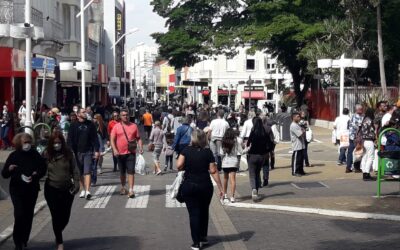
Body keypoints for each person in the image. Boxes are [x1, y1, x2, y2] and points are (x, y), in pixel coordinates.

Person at [176, 129, 223, 250]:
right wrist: (220, 187)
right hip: (205, 185)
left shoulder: (185, 150)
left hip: (190, 185)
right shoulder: (207, 152)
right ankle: (203, 237)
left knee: (194, 214)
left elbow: (179, 165)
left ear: (193, 138)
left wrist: (186, 165)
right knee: (204, 211)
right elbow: (213, 170)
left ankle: (196, 242)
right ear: (204, 139)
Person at [1, 133, 46, 250]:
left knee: (28, 215)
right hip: (17, 190)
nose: (27, 145)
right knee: (19, 214)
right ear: (19, 143)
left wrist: (36, 174)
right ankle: (17, 242)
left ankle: (24, 239)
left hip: (32, 189)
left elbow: (43, 168)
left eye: (29, 142)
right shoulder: (14, 155)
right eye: (25, 142)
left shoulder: (35, 154)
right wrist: (10, 169)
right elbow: (4, 174)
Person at [43, 131, 80, 250]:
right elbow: (39, 167)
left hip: (67, 189)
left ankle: (58, 231)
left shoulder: (68, 153)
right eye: (54, 143)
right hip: (51, 189)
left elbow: (74, 169)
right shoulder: (46, 153)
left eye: (58, 142)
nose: (56, 145)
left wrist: (77, 182)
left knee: (65, 217)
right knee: (56, 215)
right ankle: (59, 241)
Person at [67, 108, 100, 199]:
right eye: (83, 112)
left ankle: (88, 191)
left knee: (87, 171)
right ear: (78, 114)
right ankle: (83, 189)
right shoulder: (73, 125)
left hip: (88, 151)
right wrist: (69, 150)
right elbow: (69, 139)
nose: (85, 113)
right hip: (77, 152)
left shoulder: (90, 125)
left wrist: (97, 150)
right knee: (80, 172)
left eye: (86, 112)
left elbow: (95, 139)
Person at [110, 109, 144, 198]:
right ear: (120, 117)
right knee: (122, 172)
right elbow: (112, 139)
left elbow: (138, 138)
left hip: (131, 152)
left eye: (127, 115)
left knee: (131, 171)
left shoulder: (134, 126)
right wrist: (115, 149)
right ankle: (123, 187)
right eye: (123, 115)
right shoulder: (116, 126)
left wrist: (140, 147)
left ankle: (131, 190)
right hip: (120, 154)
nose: (126, 116)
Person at [247, 117, 273, 200]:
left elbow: (248, 143)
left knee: (252, 174)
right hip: (262, 155)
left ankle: (254, 189)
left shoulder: (253, 131)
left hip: (253, 155)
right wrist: (268, 151)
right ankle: (256, 191)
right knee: (258, 173)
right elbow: (271, 143)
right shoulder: (265, 131)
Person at [221, 128, 242, 203]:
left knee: (225, 179)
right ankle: (232, 197)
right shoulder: (235, 142)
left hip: (225, 162)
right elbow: (241, 151)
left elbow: (221, 153)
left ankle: (225, 195)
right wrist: (248, 149)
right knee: (233, 180)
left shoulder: (223, 142)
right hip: (233, 162)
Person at [347, 104, 364, 173]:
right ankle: (349, 167)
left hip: (358, 137)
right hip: (354, 137)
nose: (361, 110)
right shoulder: (355, 116)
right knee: (352, 151)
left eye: (361, 109)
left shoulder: (362, 116)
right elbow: (358, 126)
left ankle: (356, 167)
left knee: (358, 152)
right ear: (357, 110)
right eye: (360, 109)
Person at [360, 108, 376, 181]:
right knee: (370, 157)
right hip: (369, 141)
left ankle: (364, 173)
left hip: (363, 141)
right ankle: (367, 173)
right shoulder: (370, 120)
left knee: (365, 157)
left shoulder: (364, 120)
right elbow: (372, 131)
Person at [290, 112, 306, 177]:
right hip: (297, 145)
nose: (299, 118)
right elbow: (300, 134)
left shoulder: (298, 124)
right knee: (296, 159)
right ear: (293, 117)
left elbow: (303, 132)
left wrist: (303, 129)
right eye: (297, 117)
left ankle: (300, 170)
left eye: (299, 116)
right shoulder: (293, 125)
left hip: (301, 145)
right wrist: (303, 130)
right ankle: (295, 171)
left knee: (301, 159)